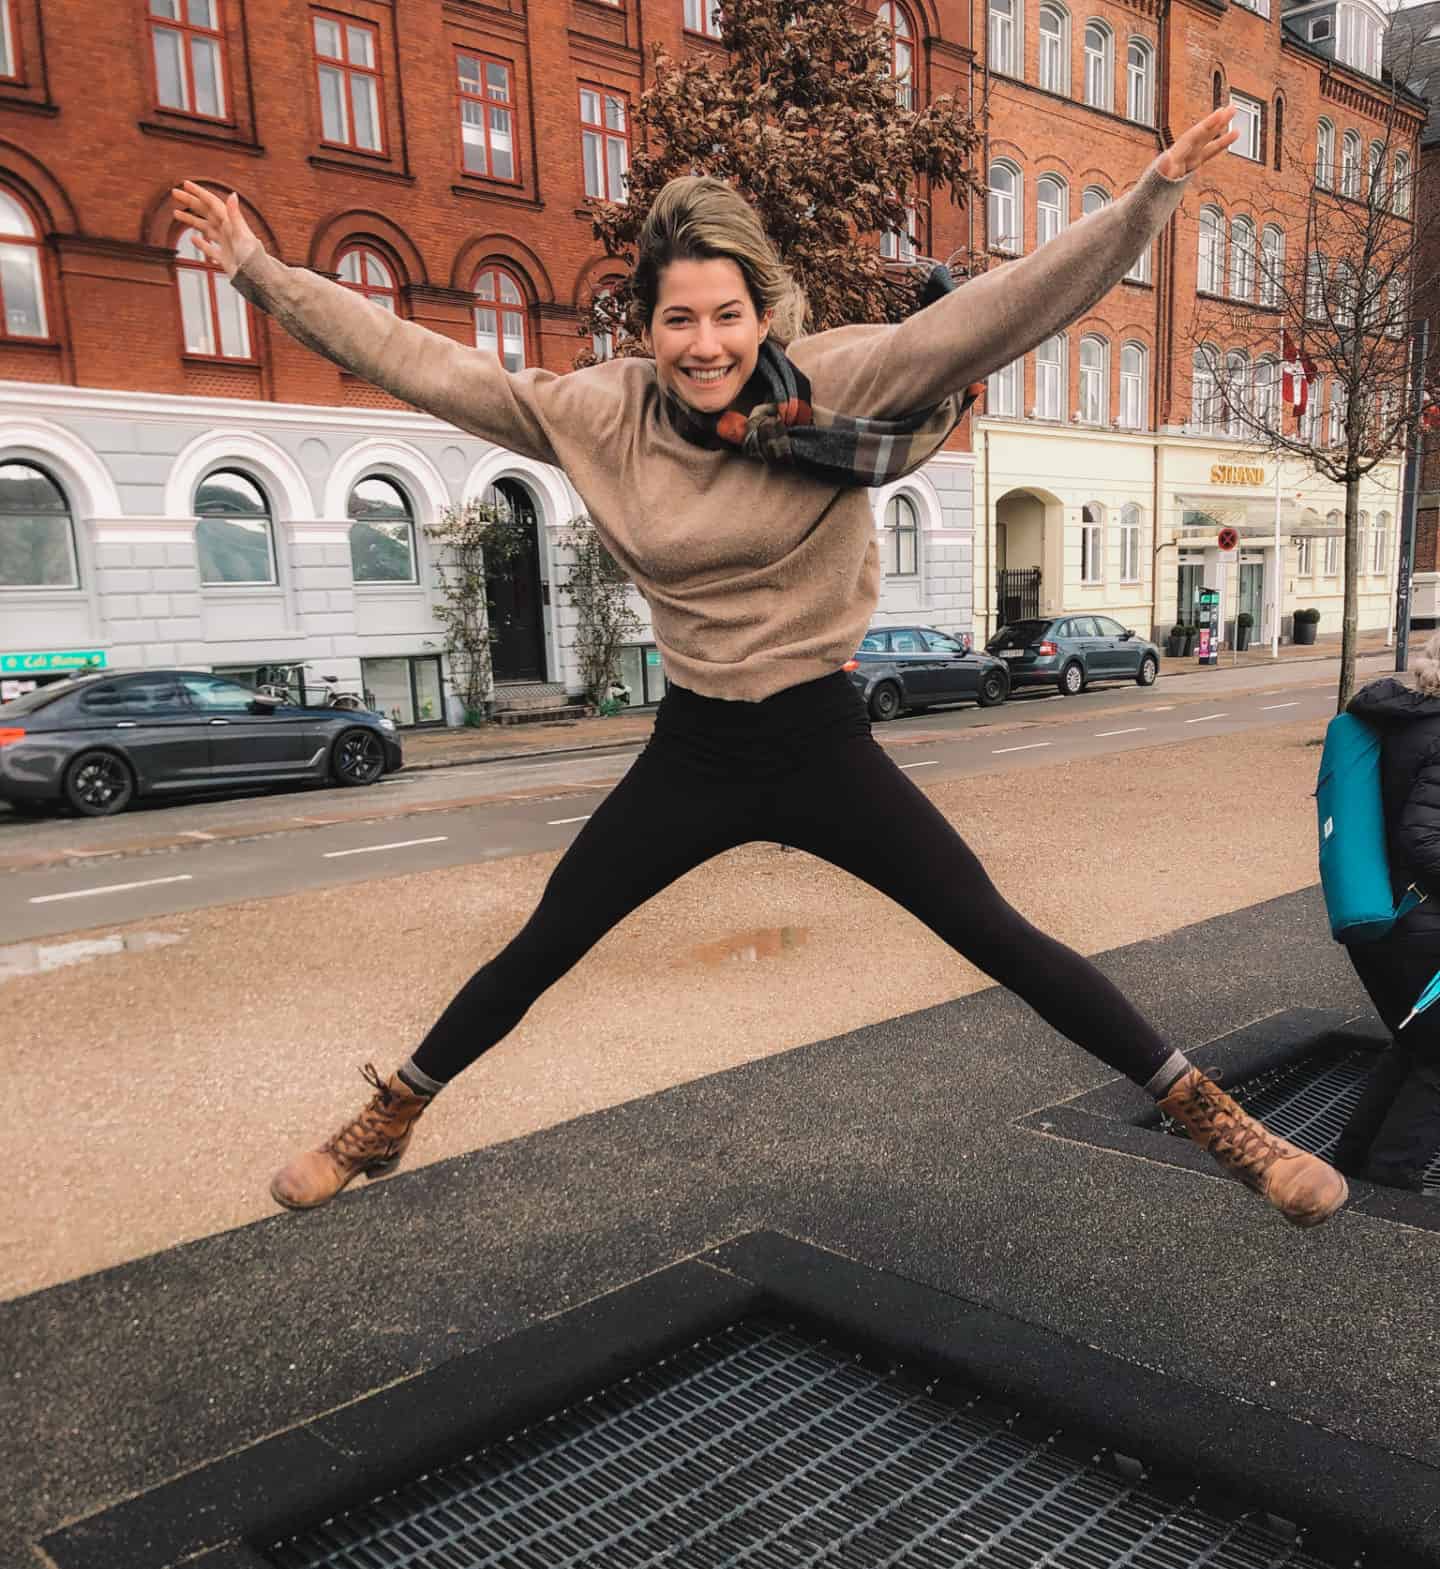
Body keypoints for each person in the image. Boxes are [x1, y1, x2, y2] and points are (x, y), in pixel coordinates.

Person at [172, 104, 1348, 1228]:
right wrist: (259, 273)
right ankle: (386, 1121)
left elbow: (1005, 310)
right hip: (696, 747)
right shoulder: (597, 413)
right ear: (647, 325)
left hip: (819, 740)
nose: (705, 345)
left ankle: (1220, 1124)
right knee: (546, 937)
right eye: (678, 320)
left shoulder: (838, 386)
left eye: (725, 316)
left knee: (994, 930)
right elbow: (420, 362)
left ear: (761, 312)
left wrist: (1148, 199)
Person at [1333, 643, 1440, 1192]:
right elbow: (1423, 837)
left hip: (1382, 912)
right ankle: (1390, 1186)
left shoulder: (1403, 717)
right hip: (1421, 920)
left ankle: (1349, 1167)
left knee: (1418, 1044)